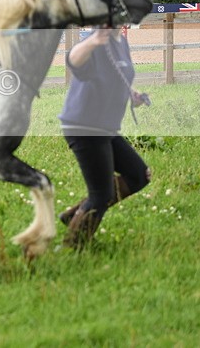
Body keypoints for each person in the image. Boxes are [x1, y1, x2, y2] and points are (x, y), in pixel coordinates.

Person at [58, 27, 152, 248]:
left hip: (105, 127)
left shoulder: (121, 41)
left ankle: (74, 216)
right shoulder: (96, 40)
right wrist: (94, 40)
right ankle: (71, 247)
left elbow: (116, 76)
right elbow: (73, 59)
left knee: (139, 175)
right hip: (85, 126)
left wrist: (132, 93)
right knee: (101, 195)